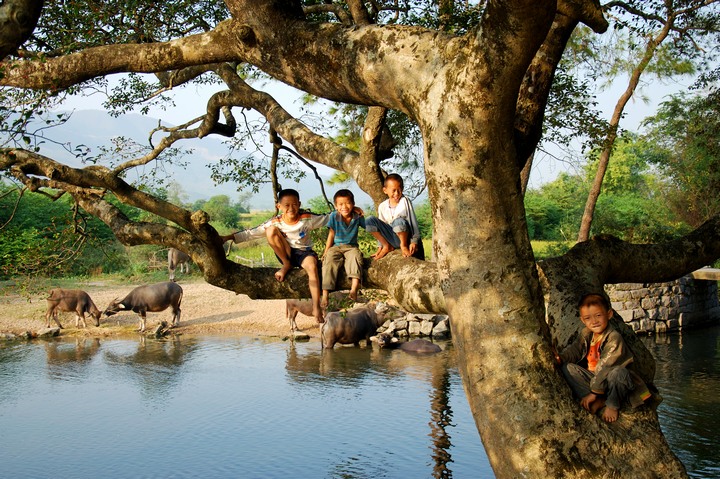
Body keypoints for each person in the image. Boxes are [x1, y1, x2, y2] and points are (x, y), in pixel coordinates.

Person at [221, 188, 328, 324]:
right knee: (270, 231)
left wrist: (352, 210)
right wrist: (227, 237)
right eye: (286, 205)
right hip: (285, 253)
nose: (291, 208)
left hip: (304, 253)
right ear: (279, 206)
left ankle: (316, 308)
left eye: (294, 204)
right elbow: (251, 233)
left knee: (312, 268)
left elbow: (330, 217)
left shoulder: (307, 218)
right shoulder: (275, 221)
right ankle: (286, 265)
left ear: (299, 204)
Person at [555, 293, 652, 423]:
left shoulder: (614, 337)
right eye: (588, 318)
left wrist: (594, 393)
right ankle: (597, 400)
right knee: (567, 368)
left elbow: (606, 366)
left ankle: (612, 405)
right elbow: (575, 351)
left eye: (598, 316)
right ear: (583, 320)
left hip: (614, 381)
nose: (594, 321)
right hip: (595, 380)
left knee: (618, 373)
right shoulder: (586, 334)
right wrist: (560, 358)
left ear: (609, 314)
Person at [321, 189, 366, 307]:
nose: (344, 207)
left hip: (351, 247)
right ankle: (325, 293)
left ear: (353, 204)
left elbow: (370, 227)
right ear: (336, 206)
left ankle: (354, 289)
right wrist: (326, 251)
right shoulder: (333, 216)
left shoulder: (357, 217)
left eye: (348, 203)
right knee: (329, 259)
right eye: (340, 204)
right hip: (336, 247)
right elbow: (331, 234)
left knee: (355, 256)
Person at [365, 173, 423, 260]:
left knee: (398, 221)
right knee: (369, 220)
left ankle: (403, 246)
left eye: (399, 190)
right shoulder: (382, 206)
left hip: (405, 237)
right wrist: (380, 246)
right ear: (385, 190)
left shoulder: (405, 201)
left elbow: (413, 221)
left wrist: (414, 241)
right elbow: (381, 228)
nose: (396, 193)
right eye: (393, 190)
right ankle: (386, 246)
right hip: (391, 237)